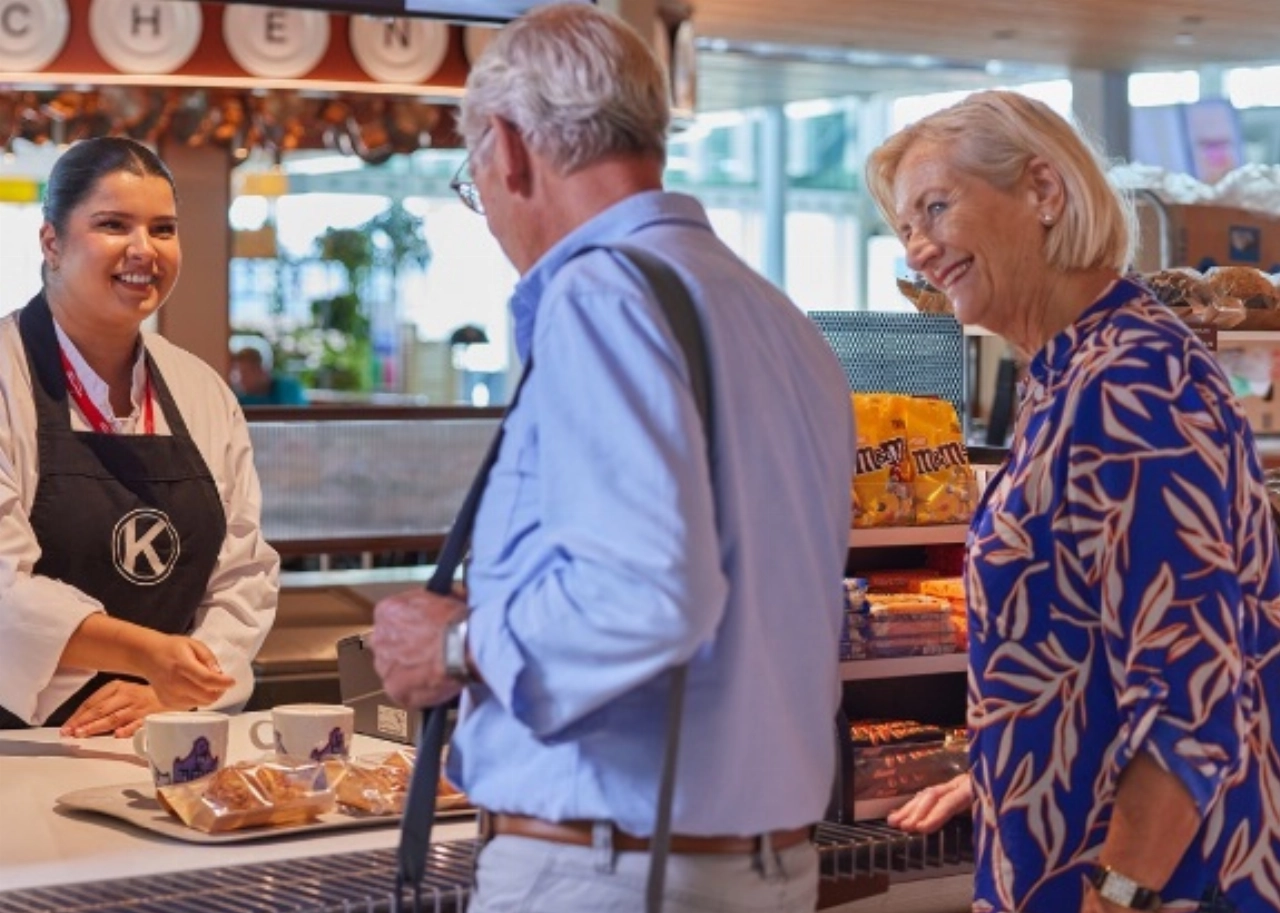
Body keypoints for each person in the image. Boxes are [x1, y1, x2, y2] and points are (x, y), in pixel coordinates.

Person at [368, 5, 855, 911]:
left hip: (611, 870)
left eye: (474, 180)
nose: (489, 212)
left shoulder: (602, 297)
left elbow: (648, 591)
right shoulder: (776, 315)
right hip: (763, 865)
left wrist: (458, 644)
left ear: (509, 148)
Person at [866, 90, 1280, 912]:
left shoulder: (1134, 383)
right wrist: (1009, 767)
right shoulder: (1069, 371)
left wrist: (1120, 893)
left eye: (935, 209)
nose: (918, 248)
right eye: (905, 226)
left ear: (1044, 193)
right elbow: (1090, 639)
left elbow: (1191, 689)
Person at [0, 137, 279, 738]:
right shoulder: (5, 377)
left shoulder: (200, 389)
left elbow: (245, 573)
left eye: (162, 229)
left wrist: (174, 688)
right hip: (21, 738)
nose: (142, 250)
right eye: (112, 224)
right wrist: (148, 653)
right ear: (51, 241)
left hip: (172, 731)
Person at [228, 339, 308, 407]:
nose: (241, 379)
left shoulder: (288, 389)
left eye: (246, 373)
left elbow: (298, 419)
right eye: (239, 374)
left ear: (262, 370)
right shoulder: (240, 400)